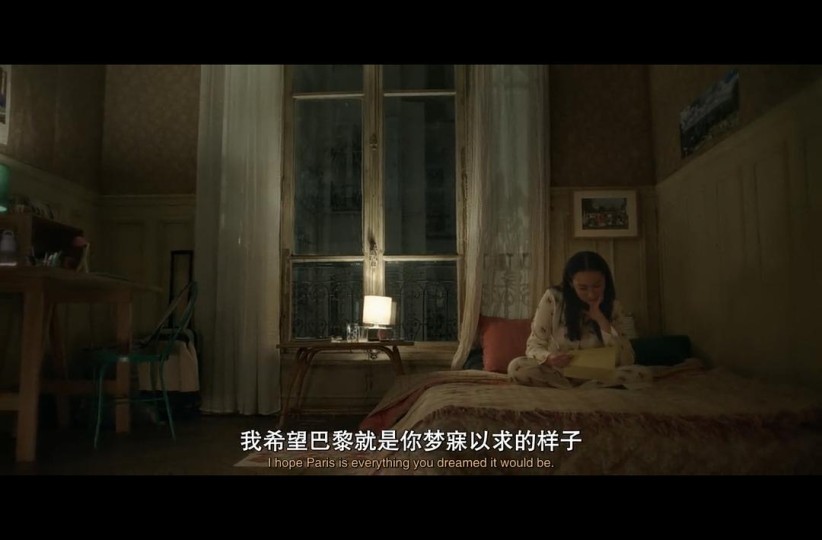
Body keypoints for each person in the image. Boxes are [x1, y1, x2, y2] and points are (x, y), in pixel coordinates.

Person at [508, 250, 636, 387]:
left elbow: (627, 359)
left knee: (640, 373)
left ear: (605, 280)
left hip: (598, 374)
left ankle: (585, 387)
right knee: (517, 367)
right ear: (571, 283)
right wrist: (549, 358)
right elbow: (534, 345)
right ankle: (578, 389)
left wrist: (601, 320)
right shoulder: (554, 298)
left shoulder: (613, 306)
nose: (591, 294)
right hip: (559, 372)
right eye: (583, 288)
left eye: (597, 286)